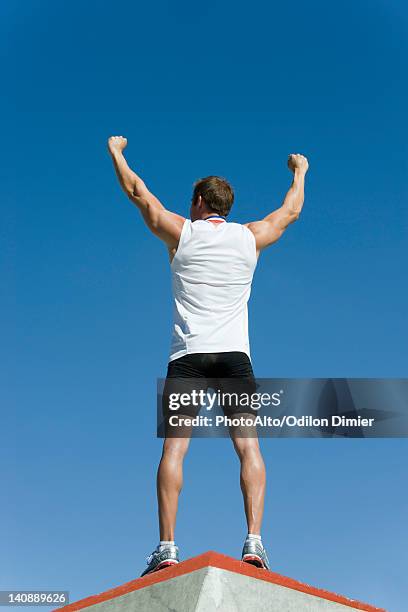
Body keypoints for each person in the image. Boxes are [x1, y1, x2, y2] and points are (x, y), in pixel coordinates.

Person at [108, 136, 309, 576]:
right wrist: (300, 171)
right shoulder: (250, 238)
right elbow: (291, 211)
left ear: (199, 202)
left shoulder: (182, 232)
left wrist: (118, 152)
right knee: (248, 448)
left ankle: (167, 548)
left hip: (188, 358)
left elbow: (138, 193)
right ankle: (255, 542)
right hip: (234, 358)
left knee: (174, 453)